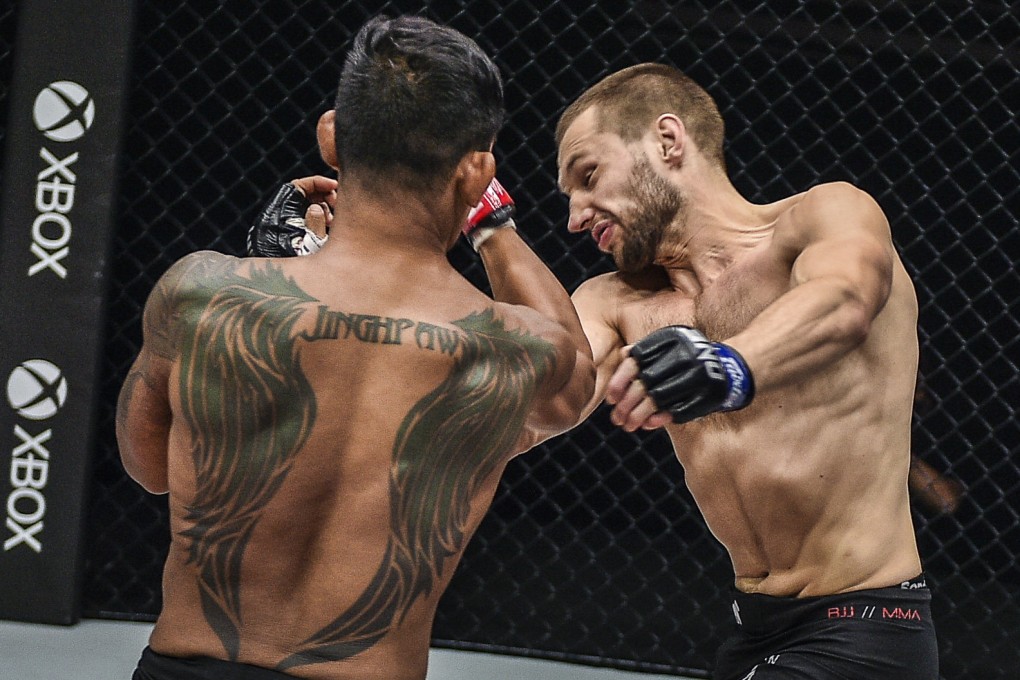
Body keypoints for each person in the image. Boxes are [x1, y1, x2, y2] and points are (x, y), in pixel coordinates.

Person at [116, 15, 594, 680]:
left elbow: (151, 467)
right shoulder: (513, 347)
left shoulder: (201, 292)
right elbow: (577, 387)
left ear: (331, 136)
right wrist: (492, 225)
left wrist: (274, 269)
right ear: (477, 170)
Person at [554, 63, 938, 679]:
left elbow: (845, 300)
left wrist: (727, 365)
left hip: (862, 626)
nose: (575, 215)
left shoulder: (822, 216)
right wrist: (484, 229)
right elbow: (535, 402)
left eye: (588, 175)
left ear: (668, 140)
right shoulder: (615, 301)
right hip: (753, 632)